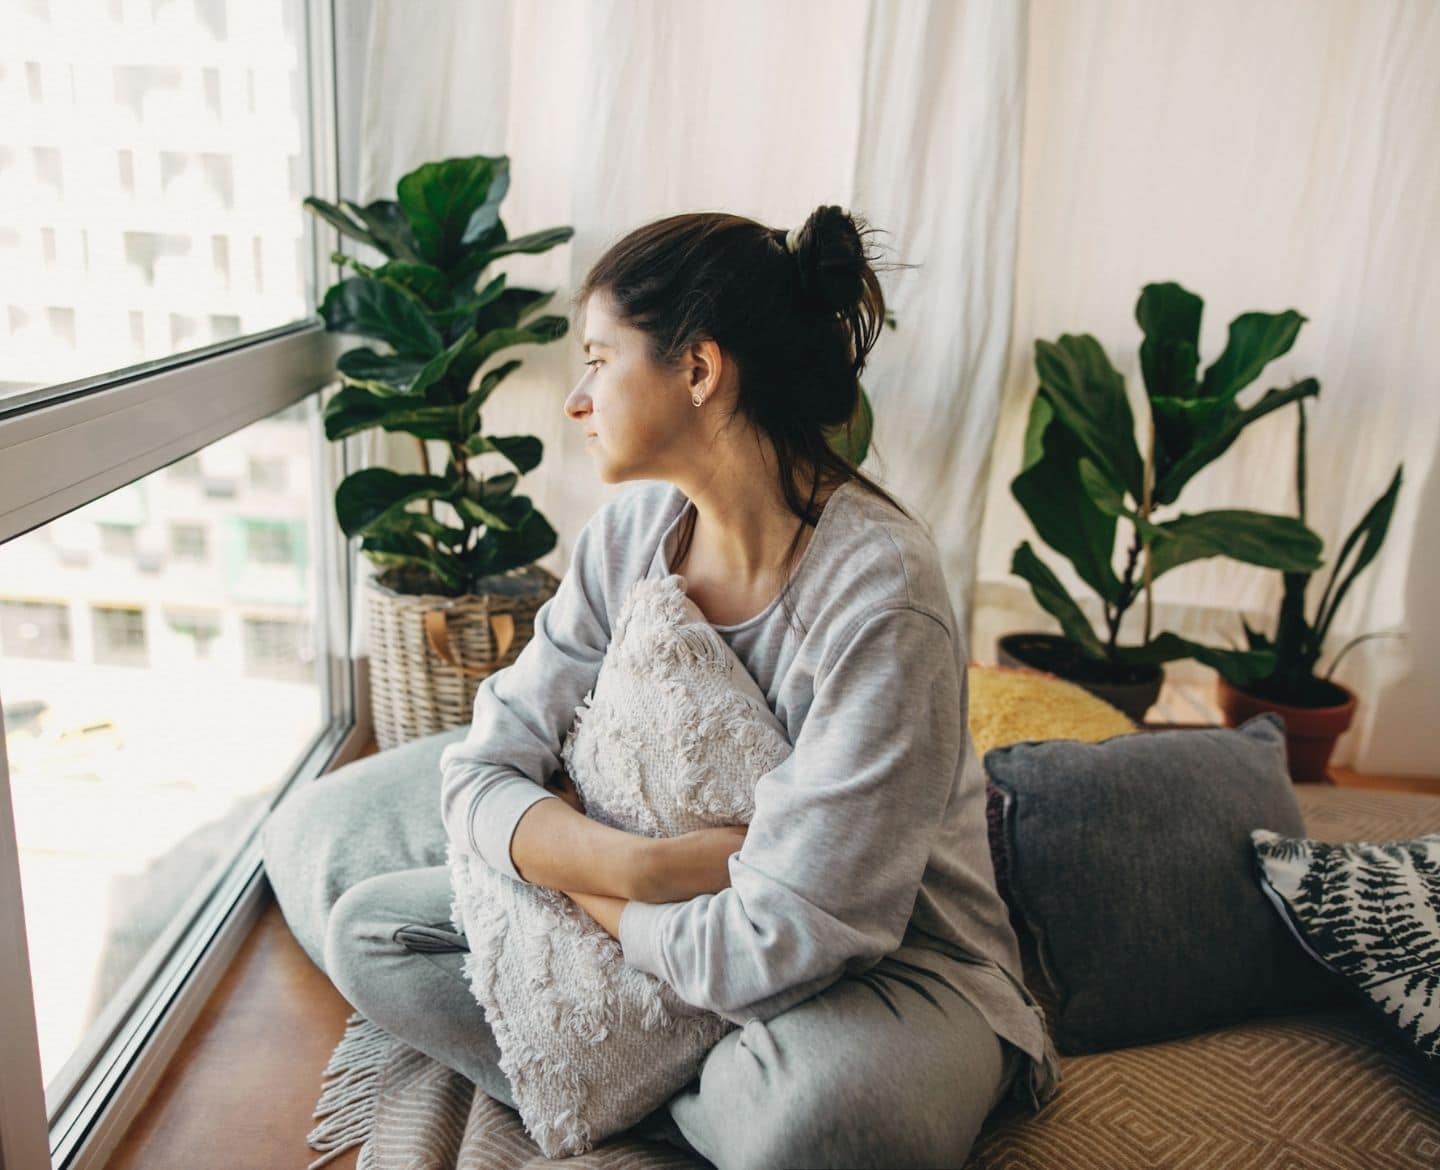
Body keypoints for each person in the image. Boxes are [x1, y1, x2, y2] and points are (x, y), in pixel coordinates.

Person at [313, 205, 1062, 1169]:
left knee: (824, 1124)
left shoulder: (882, 594)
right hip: (671, 920)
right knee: (373, 932)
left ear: (700, 370)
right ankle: (685, 1087)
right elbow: (478, 772)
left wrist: (584, 880)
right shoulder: (628, 541)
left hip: (884, 973)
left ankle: (639, 1081)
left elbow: (782, 939)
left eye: (597, 358)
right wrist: (638, 871)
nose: (577, 400)